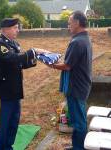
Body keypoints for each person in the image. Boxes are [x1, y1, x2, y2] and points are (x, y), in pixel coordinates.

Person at [0, 18, 38, 150]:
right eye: (15, 27)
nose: (18, 30)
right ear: (5, 29)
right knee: (2, 128)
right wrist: (32, 51)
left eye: (17, 27)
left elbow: (19, 63)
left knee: (13, 124)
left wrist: (35, 58)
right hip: (3, 93)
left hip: (15, 92)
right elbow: (11, 59)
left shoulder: (14, 44)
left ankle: (8, 147)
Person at [50, 11, 92, 150]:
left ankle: (80, 148)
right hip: (81, 85)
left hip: (76, 87)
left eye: (70, 22)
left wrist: (51, 64)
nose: (68, 25)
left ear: (78, 23)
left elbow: (67, 66)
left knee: (79, 121)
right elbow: (72, 62)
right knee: (76, 119)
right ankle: (77, 146)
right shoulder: (84, 38)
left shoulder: (77, 42)